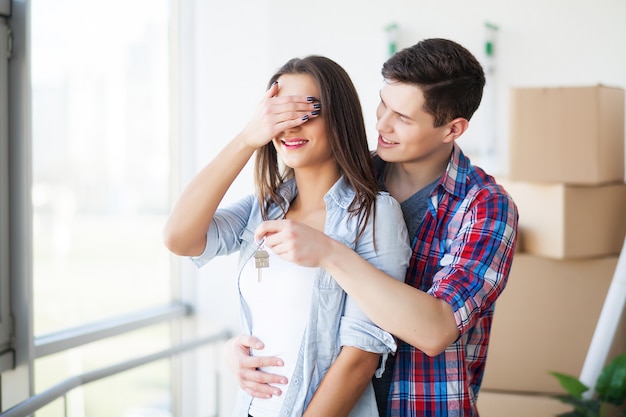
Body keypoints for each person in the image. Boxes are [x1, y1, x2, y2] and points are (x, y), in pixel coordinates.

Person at [226, 38, 519, 417]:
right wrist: (243, 347)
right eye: (383, 104)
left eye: (404, 117)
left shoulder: (485, 207)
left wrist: (331, 253)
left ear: (452, 129)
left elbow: (436, 330)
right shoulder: (343, 175)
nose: (381, 124)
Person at [163, 55, 411, 417]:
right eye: (278, 112)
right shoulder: (262, 210)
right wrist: (247, 138)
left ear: (338, 118)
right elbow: (179, 238)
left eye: (307, 111)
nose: (290, 125)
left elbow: (360, 358)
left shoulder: (374, 215)